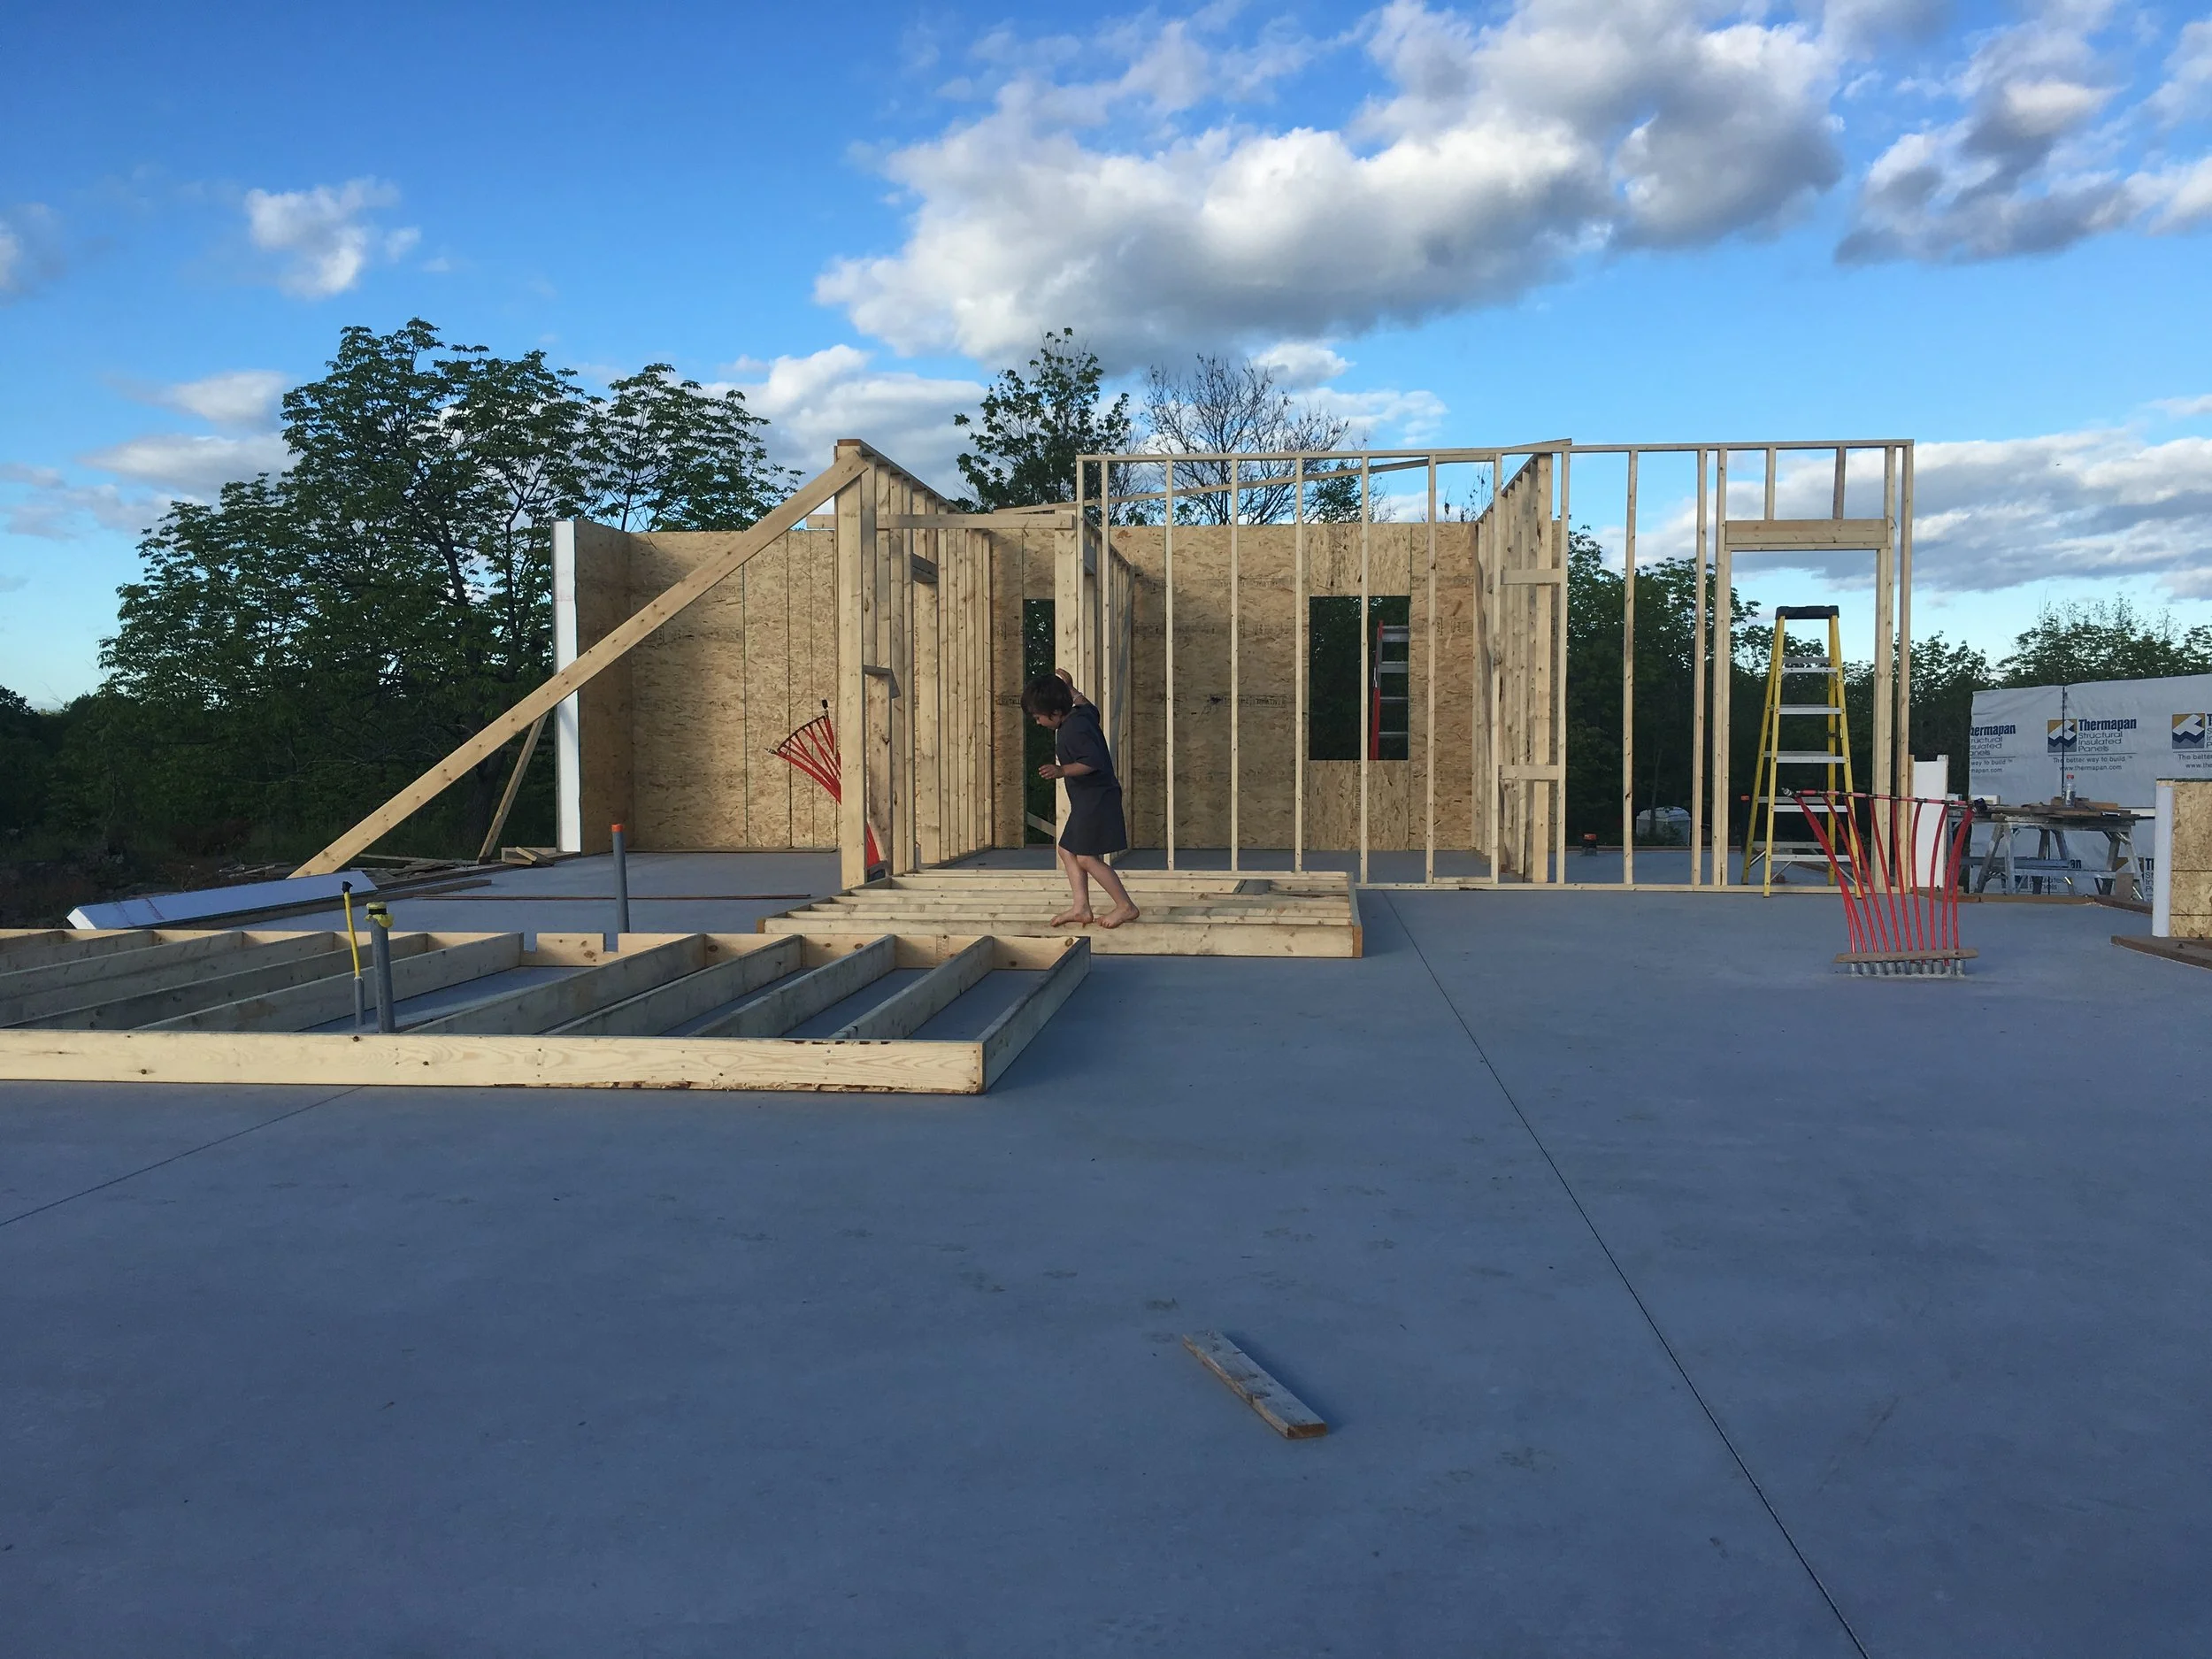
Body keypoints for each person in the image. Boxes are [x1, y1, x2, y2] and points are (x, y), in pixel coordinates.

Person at [1022, 668, 1141, 929]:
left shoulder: (1072, 730)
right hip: (1091, 798)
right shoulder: (1079, 715)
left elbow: (1092, 762)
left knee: (1086, 858)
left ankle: (1126, 906)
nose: (1038, 723)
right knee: (1066, 850)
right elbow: (1089, 707)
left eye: (1039, 717)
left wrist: (1061, 770)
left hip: (1097, 799)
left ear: (1055, 714)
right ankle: (1081, 908)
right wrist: (1071, 688)